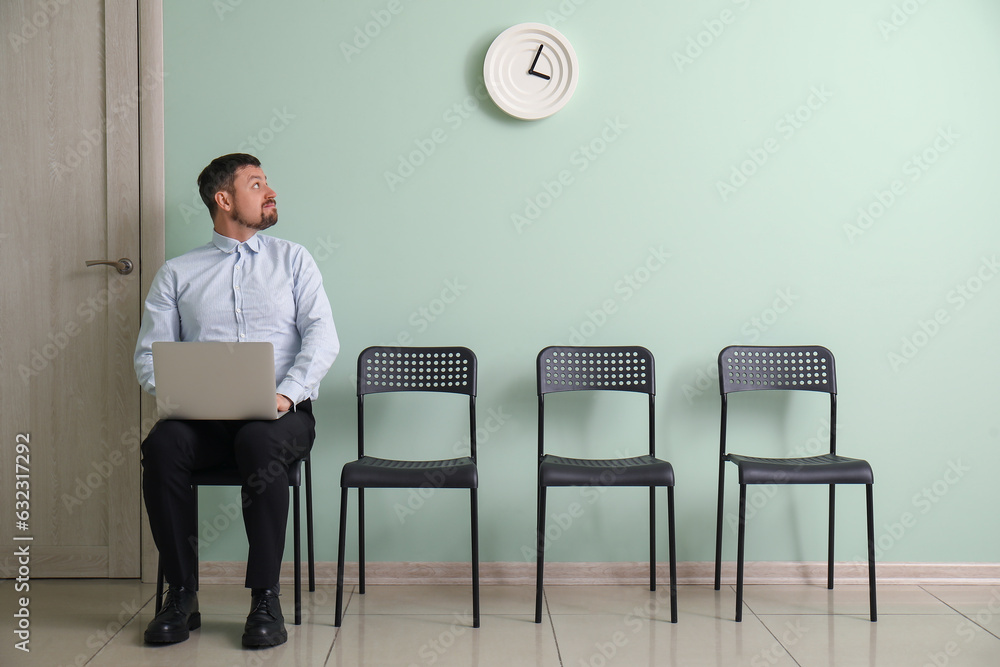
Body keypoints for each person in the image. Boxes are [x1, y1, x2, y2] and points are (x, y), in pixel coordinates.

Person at [134, 153, 338, 648]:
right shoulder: (178, 275)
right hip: (203, 422)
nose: (270, 192)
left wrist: (286, 396)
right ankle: (181, 594)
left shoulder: (293, 260)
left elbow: (323, 338)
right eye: (256, 184)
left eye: (267, 182)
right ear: (224, 200)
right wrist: (185, 393)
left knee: (259, 442)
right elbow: (147, 359)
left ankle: (264, 596)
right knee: (161, 447)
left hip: (280, 418)